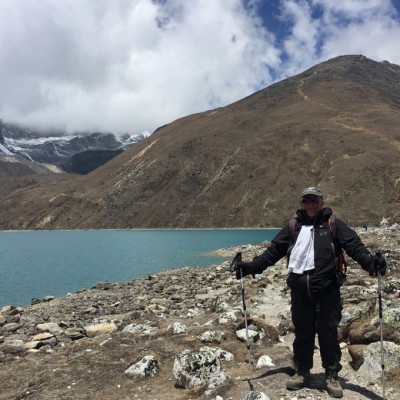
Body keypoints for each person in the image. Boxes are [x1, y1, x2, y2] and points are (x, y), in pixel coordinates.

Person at [233, 187, 386, 399]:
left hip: (327, 289)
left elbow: (355, 247)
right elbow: (272, 252)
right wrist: (250, 267)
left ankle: (331, 375)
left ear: (321, 202)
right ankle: (302, 371)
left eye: (315, 200)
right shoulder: (293, 226)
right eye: (306, 200)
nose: (311, 204)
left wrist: (372, 264)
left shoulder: (334, 225)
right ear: (302, 203)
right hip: (299, 290)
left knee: (328, 332)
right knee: (303, 331)